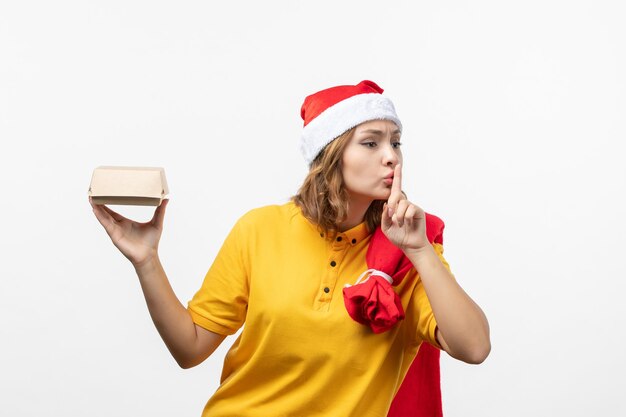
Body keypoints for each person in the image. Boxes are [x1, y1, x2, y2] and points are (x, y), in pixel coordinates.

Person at [90, 80, 490, 417]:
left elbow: (474, 347)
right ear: (330, 156)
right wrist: (146, 260)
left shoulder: (408, 249)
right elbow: (189, 347)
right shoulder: (260, 229)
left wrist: (420, 251)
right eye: (371, 143)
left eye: (396, 142)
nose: (391, 157)